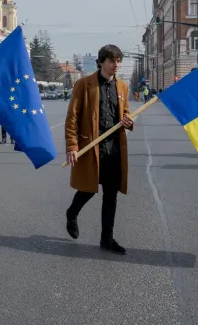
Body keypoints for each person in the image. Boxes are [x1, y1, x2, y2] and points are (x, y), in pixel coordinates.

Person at [64, 44, 133, 255]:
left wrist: (129, 122)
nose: (116, 65)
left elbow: (126, 113)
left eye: (119, 61)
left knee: (110, 195)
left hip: (113, 148)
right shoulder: (85, 85)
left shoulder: (122, 87)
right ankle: (72, 213)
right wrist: (72, 146)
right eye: (112, 61)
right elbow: (73, 117)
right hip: (91, 146)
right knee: (88, 189)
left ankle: (107, 239)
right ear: (101, 62)